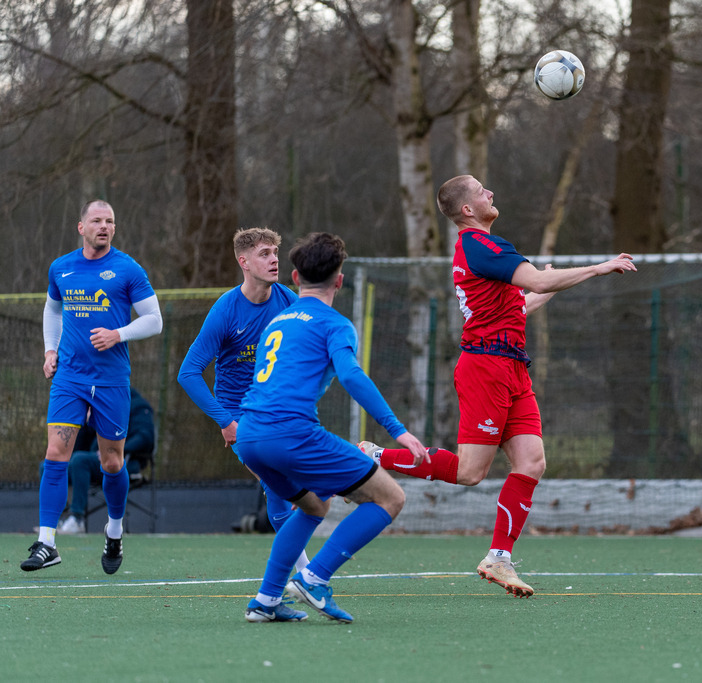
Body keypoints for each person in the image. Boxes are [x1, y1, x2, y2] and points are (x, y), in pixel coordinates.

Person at [357, 174, 636, 598]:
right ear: (467, 209)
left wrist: (555, 282)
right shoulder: (481, 245)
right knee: (471, 473)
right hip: (486, 367)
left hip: (511, 367)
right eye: (482, 190)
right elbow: (537, 283)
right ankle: (373, 456)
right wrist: (599, 267)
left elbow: (523, 302)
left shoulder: (480, 250)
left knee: (532, 463)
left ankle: (499, 558)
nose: (491, 192)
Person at [235, 232, 428, 623]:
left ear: (294, 277)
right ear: (339, 280)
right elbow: (352, 376)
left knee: (313, 504)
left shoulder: (277, 320)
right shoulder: (335, 324)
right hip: (289, 434)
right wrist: (398, 430)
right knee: (390, 497)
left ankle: (267, 600)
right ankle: (315, 577)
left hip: (249, 436)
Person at [23, 199, 163, 574]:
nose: (104, 226)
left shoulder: (127, 269)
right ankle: (47, 542)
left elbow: (154, 320)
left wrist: (119, 333)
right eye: (97, 220)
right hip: (69, 376)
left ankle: (114, 532)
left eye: (110, 221)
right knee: (55, 453)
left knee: (111, 462)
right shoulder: (61, 267)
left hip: (111, 381)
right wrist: (50, 350)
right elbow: (52, 310)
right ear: (80, 226)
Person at [177, 227, 310, 571]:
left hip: (279, 410)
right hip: (241, 415)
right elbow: (188, 373)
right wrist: (225, 421)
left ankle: (294, 578)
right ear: (244, 262)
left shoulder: (289, 302)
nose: (274, 259)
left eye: (275, 253)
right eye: (264, 254)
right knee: (277, 481)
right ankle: (304, 575)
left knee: (291, 485)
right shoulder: (226, 310)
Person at [52, 388, 155, 534]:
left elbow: (145, 437)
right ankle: (58, 517)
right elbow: (79, 447)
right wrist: (85, 423)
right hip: (94, 461)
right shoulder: (99, 404)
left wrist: (116, 451)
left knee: (80, 460)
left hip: (124, 462)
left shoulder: (138, 406)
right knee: (51, 466)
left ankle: (77, 519)